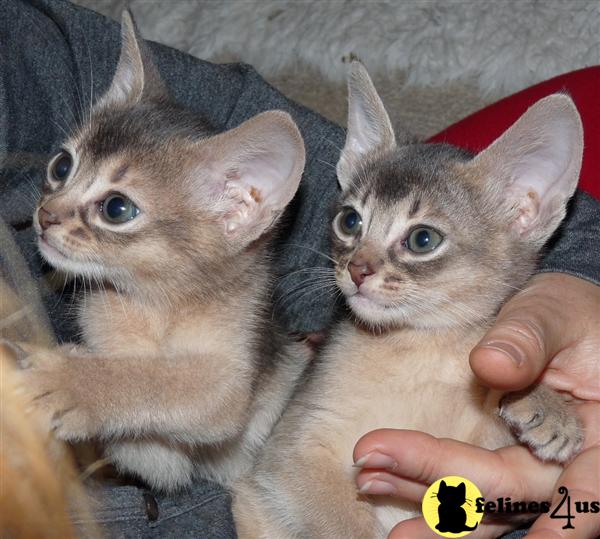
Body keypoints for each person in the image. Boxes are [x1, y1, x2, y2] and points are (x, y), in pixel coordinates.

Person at [1, 0, 598, 537]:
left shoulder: (49, 60)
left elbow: (561, 500)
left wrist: (572, 296)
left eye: (418, 239)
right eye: (350, 226)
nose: (361, 264)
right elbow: (280, 468)